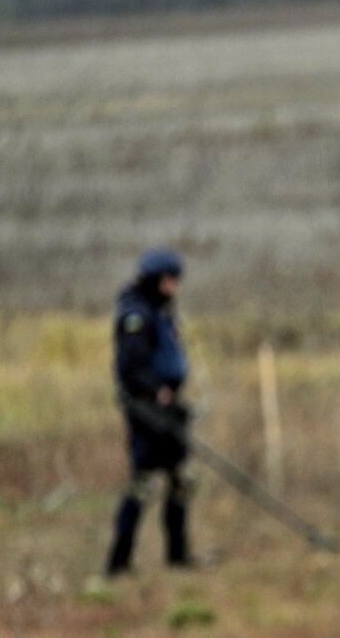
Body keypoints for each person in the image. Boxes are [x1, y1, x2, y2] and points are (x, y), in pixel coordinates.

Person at [105, 246, 194, 577]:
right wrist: (156, 392)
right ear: (156, 280)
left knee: (181, 478)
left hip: (168, 406)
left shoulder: (161, 311)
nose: (175, 287)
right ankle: (118, 562)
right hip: (146, 410)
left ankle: (178, 556)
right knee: (142, 483)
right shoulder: (136, 315)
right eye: (170, 280)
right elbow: (131, 369)